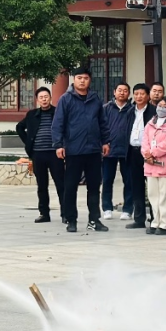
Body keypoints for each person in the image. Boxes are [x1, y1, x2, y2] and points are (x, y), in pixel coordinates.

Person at [51, 67, 111, 234]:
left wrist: (105, 141)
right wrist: (58, 145)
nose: (82, 81)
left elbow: (102, 122)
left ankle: (94, 219)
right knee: (70, 186)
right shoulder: (66, 99)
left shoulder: (95, 99)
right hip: (73, 150)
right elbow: (58, 124)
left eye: (85, 78)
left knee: (94, 186)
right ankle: (71, 219)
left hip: (93, 150)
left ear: (89, 80)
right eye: (79, 78)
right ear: (74, 80)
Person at [16, 87, 64, 223]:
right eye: (41, 97)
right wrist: (28, 144)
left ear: (50, 98)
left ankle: (65, 213)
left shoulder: (58, 113)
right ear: (37, 100)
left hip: (55, 154)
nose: (44, 99)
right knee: (42, 186)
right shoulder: (31, 115)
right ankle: (44, 214)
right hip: (38, 155)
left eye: (46, 96)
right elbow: (19, 127)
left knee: (61, 184)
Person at [142, 96, 166, 235]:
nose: (161, 108)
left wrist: (153, 153)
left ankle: (165, 224)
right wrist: (147, 154)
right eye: (159, 105)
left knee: (165, 195)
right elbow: (144, 140)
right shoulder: (150, 123)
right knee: (152, 195)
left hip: (165, 164)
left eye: (165, 106)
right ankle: (155, 222)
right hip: (150, 165)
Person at [101, 82, 134, 220]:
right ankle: (107, 208)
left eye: (125, 90)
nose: (122, 93)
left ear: (128, 93)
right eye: (119, 90)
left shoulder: (132, 110)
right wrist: (104, 143)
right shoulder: (106, 108)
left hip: (127, 150)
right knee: (107, 180)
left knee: (129, 181)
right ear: (114, 92)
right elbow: (101, 127)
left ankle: (127, 209)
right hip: (109, 150)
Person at [125, 84, 155, 230]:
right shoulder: (130, 111)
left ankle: (155, 219)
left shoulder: (154, 112)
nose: (138, 97)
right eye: (136, 94)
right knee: (136, 186)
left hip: (149, 153)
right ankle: (139, 219)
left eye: (142, 94)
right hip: (133, 152)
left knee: (153, 187)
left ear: (148, 96)